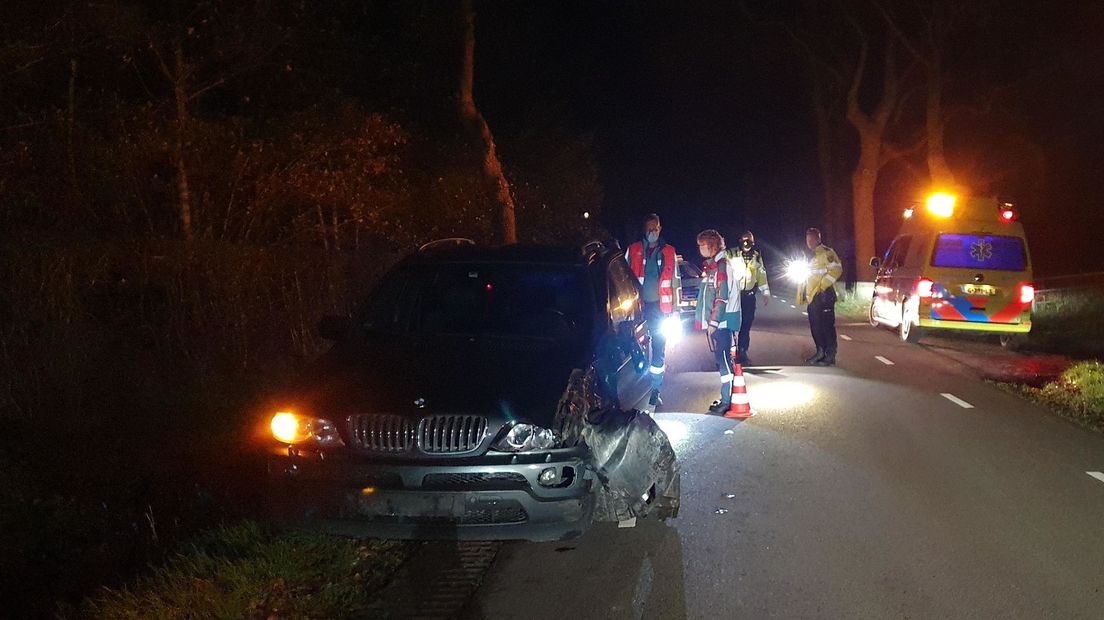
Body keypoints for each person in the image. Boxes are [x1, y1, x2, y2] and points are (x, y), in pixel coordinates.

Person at [625, 214, 677, 407]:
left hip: (659, 309)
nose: (652, 233)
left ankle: (655, 388)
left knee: (658, 348)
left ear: (660, 229)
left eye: (655, 229)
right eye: (649, 229)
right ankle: (638, 386)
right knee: (634, 346)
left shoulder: (669, 252)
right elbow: (622, 278)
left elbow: (675, 283)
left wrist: (675, 310)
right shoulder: (634, 249)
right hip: (637, 308)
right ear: (644, 230)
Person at [698, 229, 751, 415]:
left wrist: (712, 323)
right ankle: (725, 397)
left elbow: (721, 298)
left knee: (723, 361)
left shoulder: (721, 267)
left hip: (722, 323)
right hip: (721, 322)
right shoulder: (716, 266)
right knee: (722, 360)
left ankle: (727, 399)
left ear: (712, 246)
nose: (700, 249)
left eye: (702, 245)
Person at [795, 227, 843, 366]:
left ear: (818, 239)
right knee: (815, 326)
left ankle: (830, 355)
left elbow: (837, 269)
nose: (809, 242)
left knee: (827, 326)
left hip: (824, 295)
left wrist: (822, 286)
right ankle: (820, 352)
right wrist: (802, 295)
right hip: (813, 298)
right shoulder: (809, 256)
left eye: (811, 239)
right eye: (807, 239)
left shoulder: (827, 252)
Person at [727, 231, 771, 366]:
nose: (747, 243)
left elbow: (761, 274)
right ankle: (729, 353)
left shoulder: (757, 257)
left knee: (746, 325)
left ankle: (742, 352)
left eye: (749, 241)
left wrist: (765, 292)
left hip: (749, 296)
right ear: (740, 240)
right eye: (744, 240)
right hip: (734, 295)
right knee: (732, 324)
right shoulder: (731, 254)